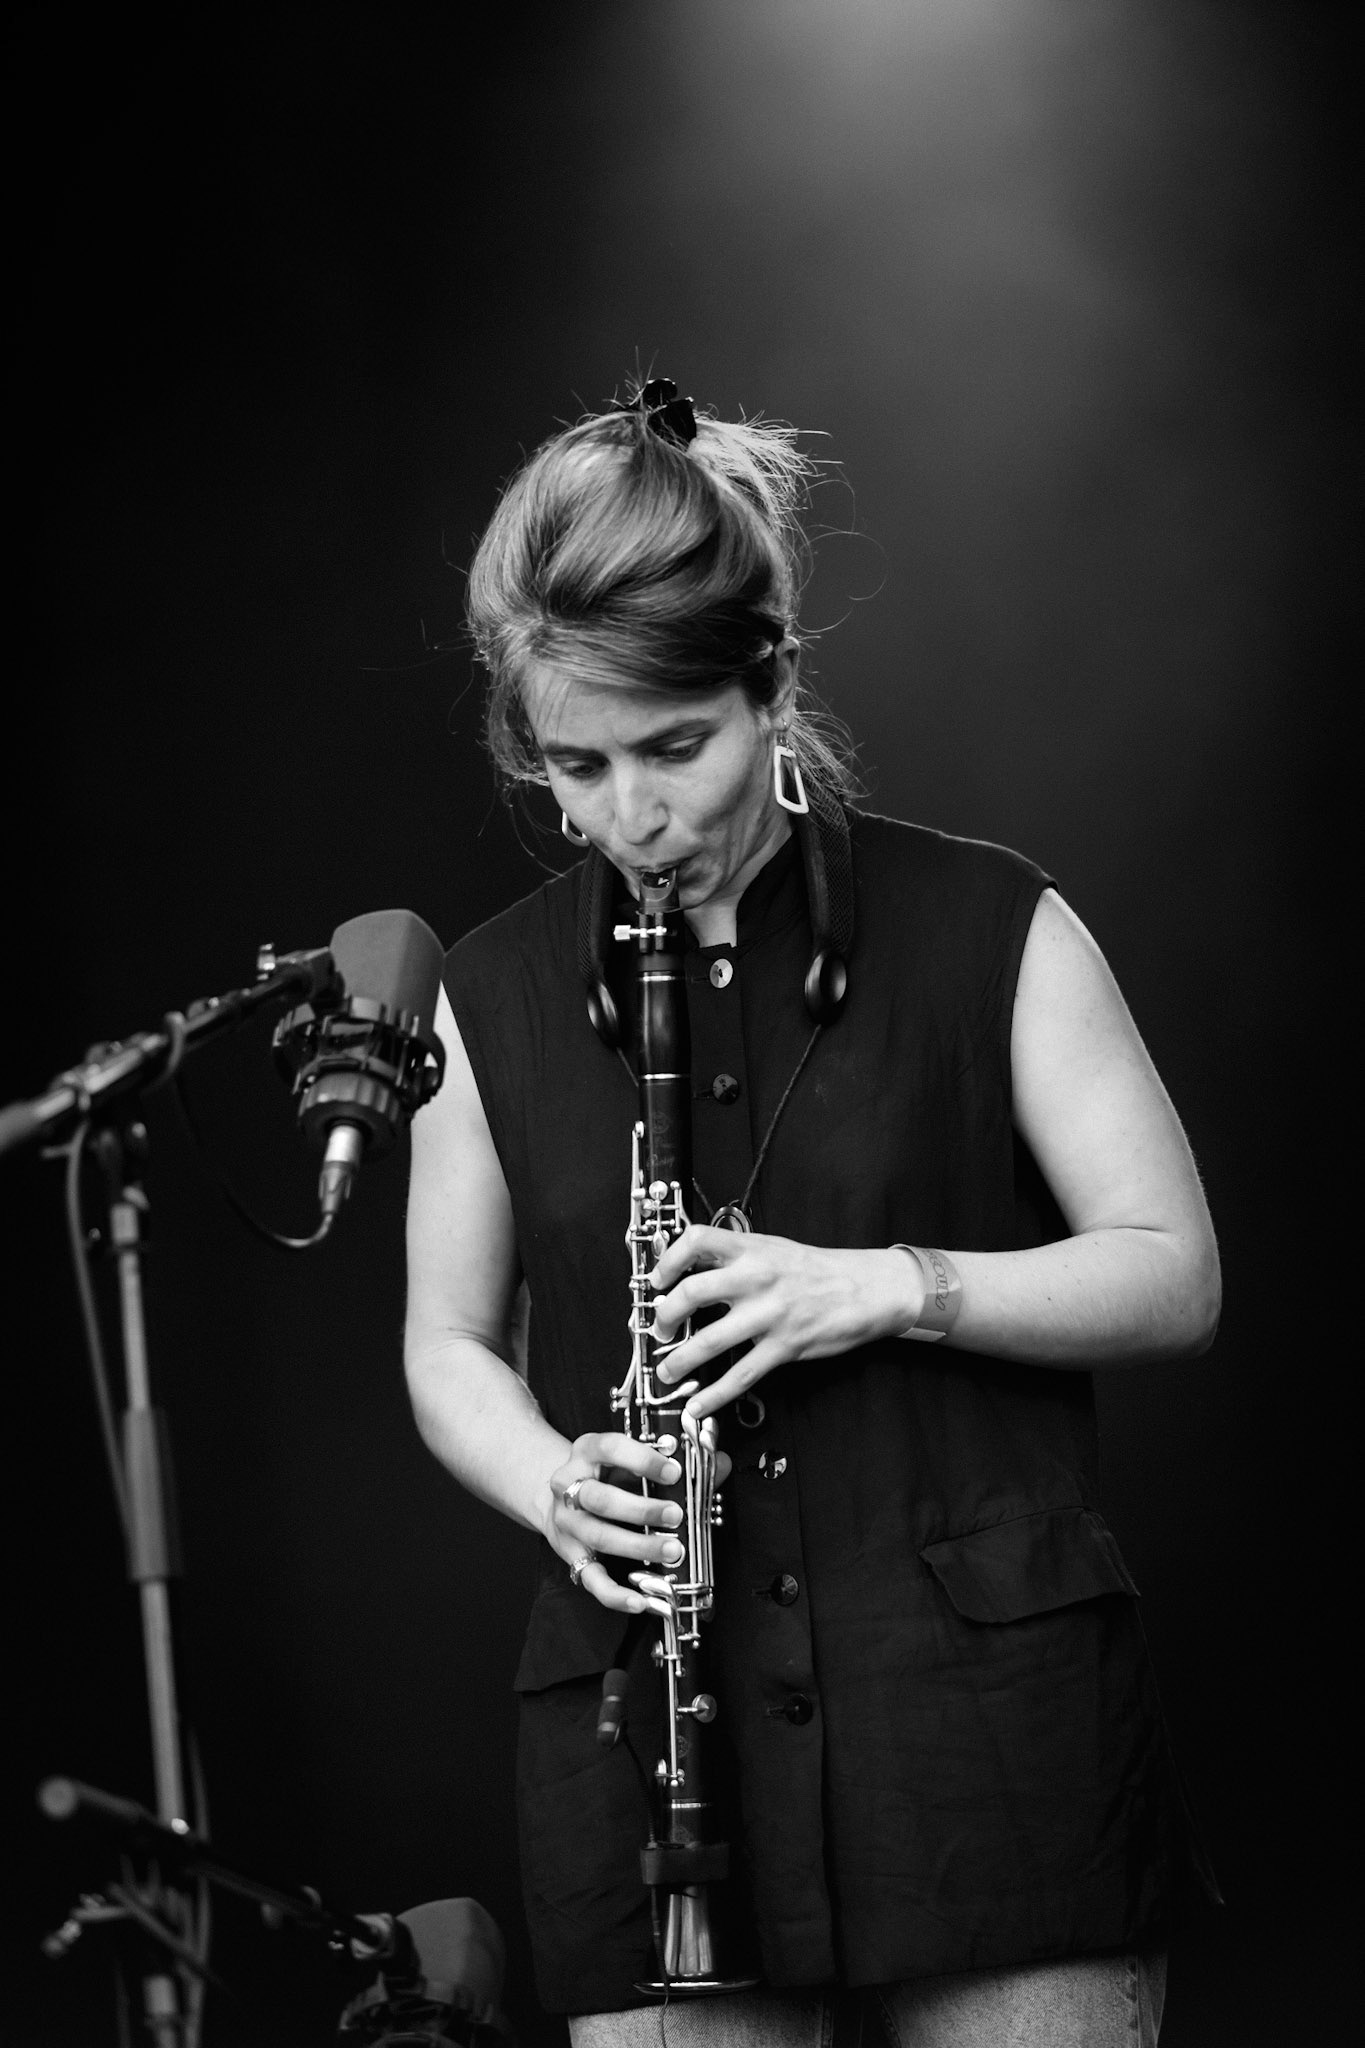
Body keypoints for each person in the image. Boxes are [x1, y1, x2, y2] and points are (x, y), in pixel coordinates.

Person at [403, 378, 1220, 2048]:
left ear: (769, 683)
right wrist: (555, 1481)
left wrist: (890, 1288)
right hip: (650, 1734)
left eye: (675, 748)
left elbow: (1173, 1275)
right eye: (576, 767)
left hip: (985, 1727)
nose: (628, 818)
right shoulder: (482, 1000)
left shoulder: (991, 923)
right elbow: (447, 1343)